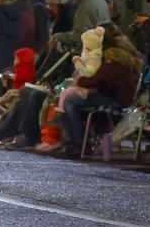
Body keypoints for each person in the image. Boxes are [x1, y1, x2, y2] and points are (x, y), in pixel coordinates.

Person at [59, 24, 143, 158]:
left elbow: (96, 80)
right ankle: (78, 141)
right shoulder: (123, 53)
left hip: (114, 99)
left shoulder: (112, 58)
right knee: (73, 99)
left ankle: (78, 143)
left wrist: (79, 81)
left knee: (70, 100)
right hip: (120, 97)